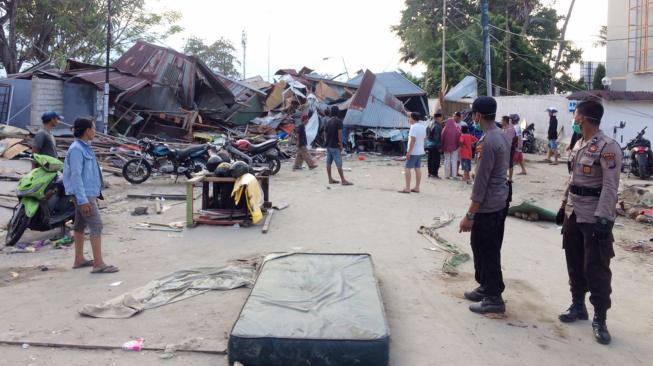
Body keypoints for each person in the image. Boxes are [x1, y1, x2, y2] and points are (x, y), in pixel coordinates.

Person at [557, 100, 621, 345]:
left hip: (594, 216)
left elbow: (610, 186)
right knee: (573, 260)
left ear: (582, 118)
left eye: (576, 115)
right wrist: (563, 206)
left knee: (596, 267)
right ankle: (578, 305)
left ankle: (600, 319)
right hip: (574, 212)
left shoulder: (608, 147)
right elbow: (573, 180)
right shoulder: (580, 145)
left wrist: (604, 218)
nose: (574, 118)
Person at [459, 96, 510, 314]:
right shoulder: (500, 134)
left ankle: (494, 298)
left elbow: (481, 181)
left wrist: (470, 214)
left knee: (485, 248)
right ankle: (486, 286)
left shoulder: (489, 141)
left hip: (489, 204)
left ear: (478, 115)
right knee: (483, 246)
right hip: (499, 200)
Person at [63, 117, 118, 274]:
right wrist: (83, 200)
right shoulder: (76, 150)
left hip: (88, 193)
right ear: (87, 131)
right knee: (97, 225)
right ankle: (98, 263)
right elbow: (76, 176)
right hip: (84, 195)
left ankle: (79, 259)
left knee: (79, 225)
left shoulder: (85, 147)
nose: (95, 131)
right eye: (93, 128)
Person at [325, 106, 352, 185]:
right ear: (337, 112)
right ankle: (343, 180)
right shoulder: (338, 121)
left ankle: (330, 179)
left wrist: (327, 142)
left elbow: (325, 134)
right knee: (339, 163)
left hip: (329, 145)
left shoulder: (328, 121)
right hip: (335, 145)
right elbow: (340, 134)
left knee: (328, 163)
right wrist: (341, 144)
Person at [399, 112, 426, 193]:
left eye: (409, 117)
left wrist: (409, 152)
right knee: (417, 168)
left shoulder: (413, 127)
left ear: (413, 118)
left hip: (414, 151)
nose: (408, 119)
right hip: (420, 150)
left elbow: (413, 140)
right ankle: (417, 187)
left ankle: (407, 188)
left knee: (407, 168)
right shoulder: (423, 126)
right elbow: (424, 138)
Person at [426, 113, 444, 178]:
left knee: (430, 159)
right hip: (435, 145)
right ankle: (434, 174)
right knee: (436, 160)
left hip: (429, 144)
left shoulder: (430, 124)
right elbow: (437, 137)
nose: (441, 119)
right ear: (437, 118)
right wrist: (439, 147)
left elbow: (427, 134)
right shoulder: (437, 126)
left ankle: (430, 173)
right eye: (441, 118)